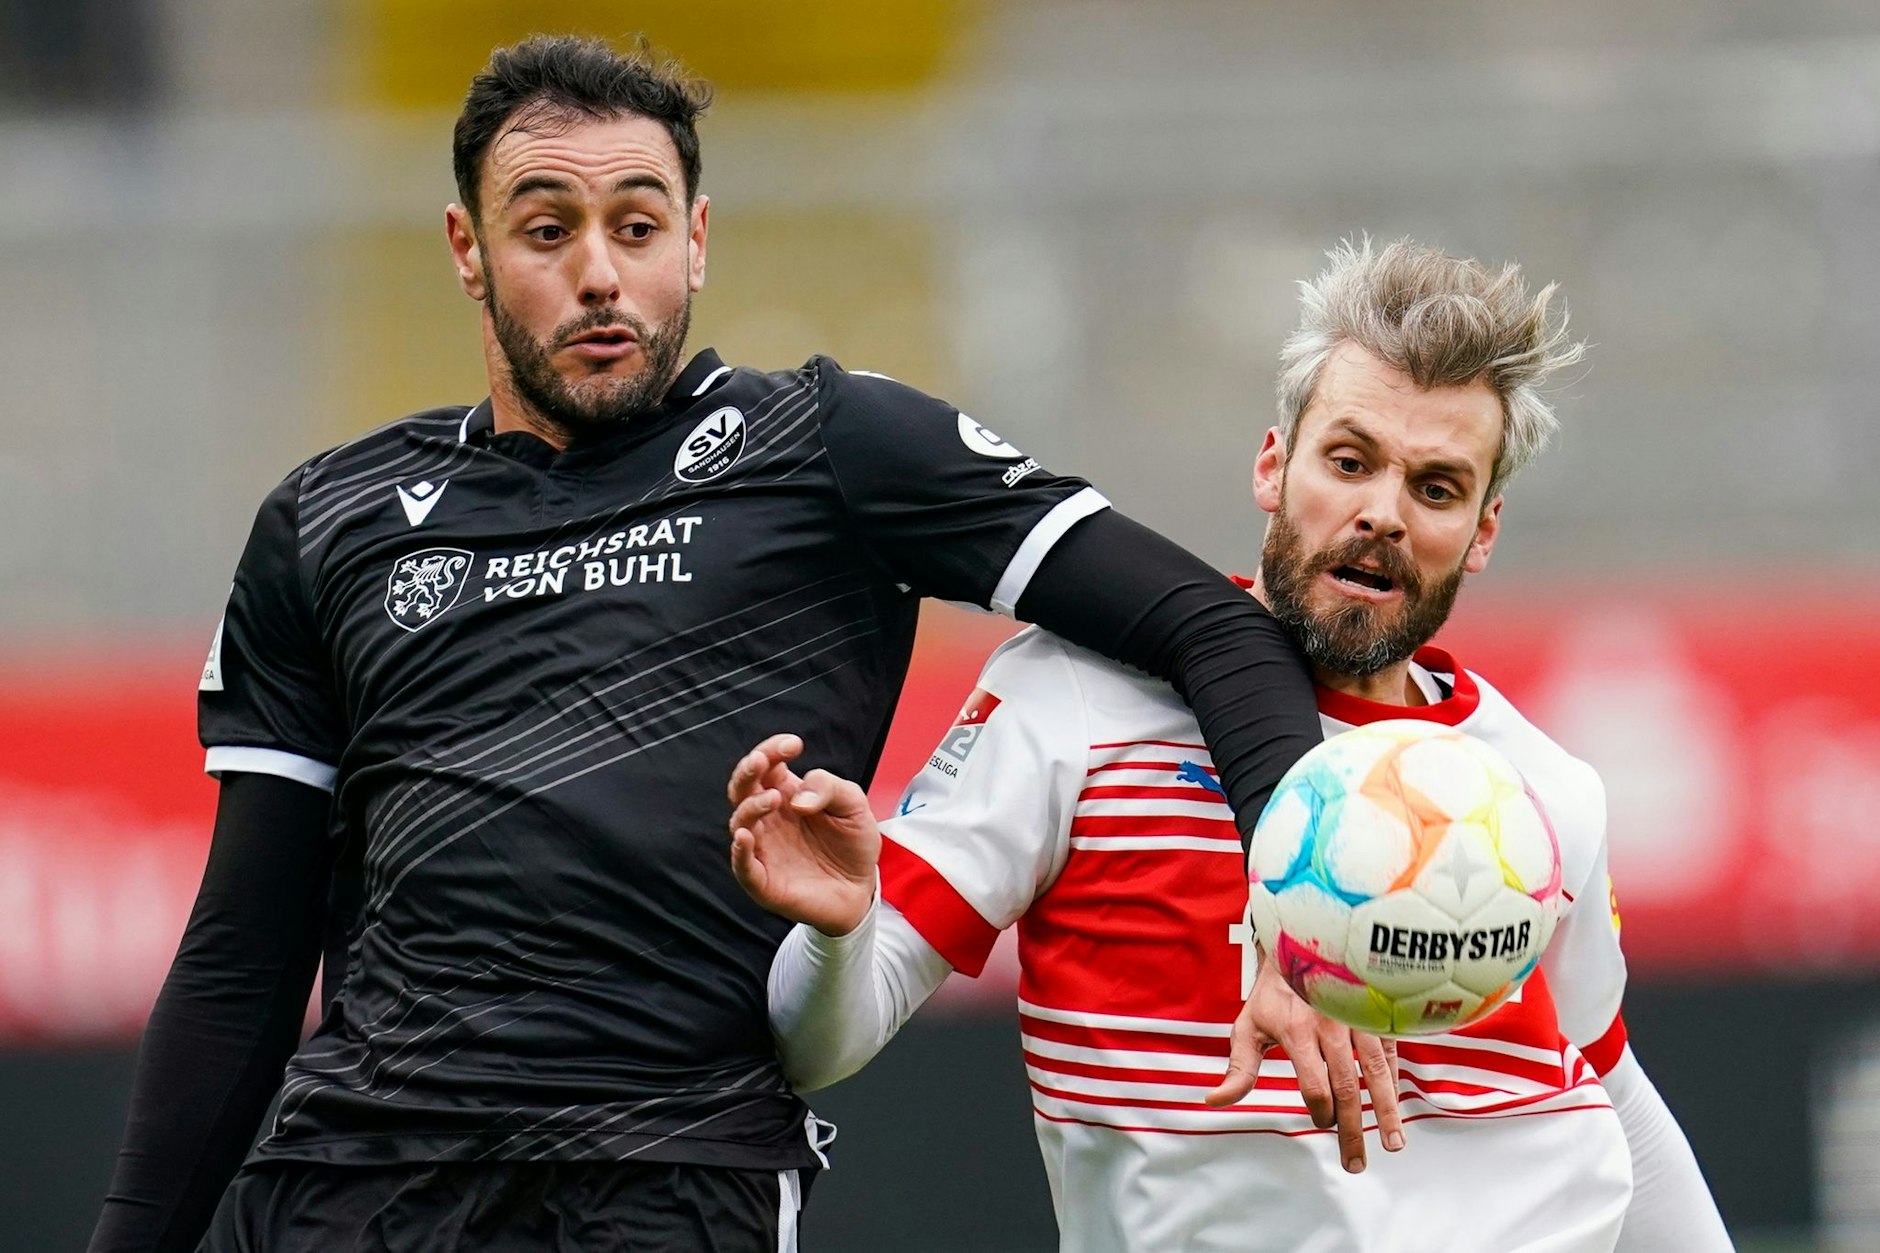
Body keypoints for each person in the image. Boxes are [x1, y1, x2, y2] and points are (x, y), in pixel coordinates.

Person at [87, 35, 1328, 1253]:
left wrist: (1298, 925)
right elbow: (244, 951)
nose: (598, 274)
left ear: (694, 239)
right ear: (467, 249)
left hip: (668, 1176)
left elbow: (1208, 622)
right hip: (352, 1181)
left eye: (635, 226)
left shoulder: (831, 445)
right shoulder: (329, 518)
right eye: (546, 230)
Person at [730, 238, 1734, 1251]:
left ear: (1481, 531)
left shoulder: (1539, 790)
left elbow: (1607, 1088)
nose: (1381, 513)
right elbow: (819, 1046)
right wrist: (838, 932)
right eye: (1349, 462)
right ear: (1272, 464)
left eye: (1435, 488)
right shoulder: (1072, 700)